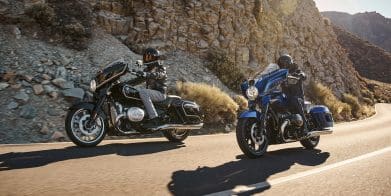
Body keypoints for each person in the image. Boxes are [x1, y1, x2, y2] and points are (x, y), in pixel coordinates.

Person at [134, 48, 168, 128]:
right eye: (146, 57)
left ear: (156, 58)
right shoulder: (147, 69)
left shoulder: (161, 68)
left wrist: (146, 74)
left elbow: (159, 75)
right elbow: (139, 80)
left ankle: (154, 119)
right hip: (151, 93)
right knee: (133, 92)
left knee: (143, 92)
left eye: (149, 57)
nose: (147, 59)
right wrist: (125, 83)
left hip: (160, 93)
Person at [277, 54, 309, 137]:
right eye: (282, 63)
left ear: (289, 63)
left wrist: (301, 75)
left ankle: (305, 126)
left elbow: (304, 75)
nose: (283, 65)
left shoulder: (296, 71)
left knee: (294, 99)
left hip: (298, 97)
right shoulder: (280, 74)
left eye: (285, 63)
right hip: (285, 98)